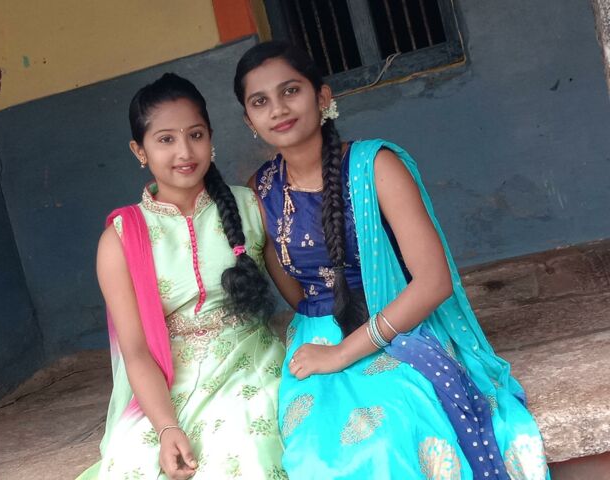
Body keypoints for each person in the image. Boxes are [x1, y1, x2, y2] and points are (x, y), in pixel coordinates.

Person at [234, 41, 550, 479]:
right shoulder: (261, 190)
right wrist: (328, 347)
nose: (278, 109)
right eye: (260, 102)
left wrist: (343, 352)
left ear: (322, 96)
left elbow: (434, 282)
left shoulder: (376, 166)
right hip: (315, 338)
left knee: (387, 439)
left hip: (398, 324)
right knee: (314, 456)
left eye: (291, 91)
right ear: (249, 121)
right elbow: (296, 293)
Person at [78, 73, 286, 480]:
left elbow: (298, 292)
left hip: (253, 365)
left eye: (196, 135)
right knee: (133, 464)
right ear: (140, 151)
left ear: (211, 138)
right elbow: (136, 351)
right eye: (166, 139)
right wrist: (166, 427)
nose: (185, 152)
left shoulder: (249, 206)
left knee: (244, 454)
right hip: (167, 380)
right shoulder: (119, 240)